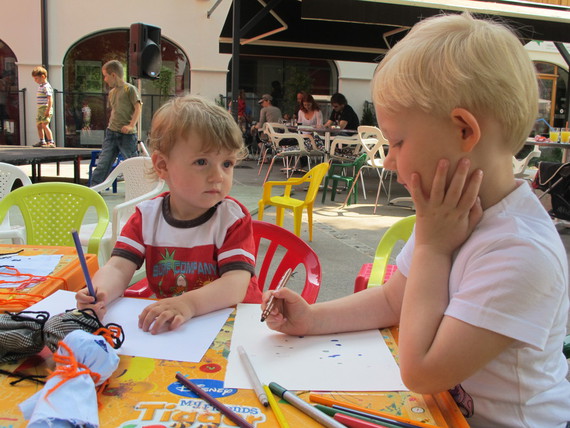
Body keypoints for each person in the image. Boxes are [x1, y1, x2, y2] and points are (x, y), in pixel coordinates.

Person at [261, 13, 570, 428]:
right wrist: (313, 319)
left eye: (398, 142)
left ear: (464, 130)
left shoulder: (519, 250)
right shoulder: (450, 217)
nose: (388, 161)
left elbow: (422, 372)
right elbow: (393, 300)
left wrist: (430, 247)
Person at [76, 95, 262, 334]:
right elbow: (118, 268)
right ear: (162, 166)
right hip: (178, 329)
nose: (218, 176)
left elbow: (235, 284)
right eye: (202, 161)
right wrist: (98, 292)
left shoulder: (232, 218)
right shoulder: (146, 217)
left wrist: (188, 304)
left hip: (234, 324)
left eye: (227, 163)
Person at [90, 60, 141, 186]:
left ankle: (137, 190)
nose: (105, 79)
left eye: (106, 76)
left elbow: (138, 107)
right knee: (103, 163)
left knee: (131, 163)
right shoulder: (112, 92)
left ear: (113, 75)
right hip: (112, 132)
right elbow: (116, 110)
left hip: (126, 135)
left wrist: (131, 125)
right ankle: (93, 190)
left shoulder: (129, 89)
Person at [31, 66, 55, 148]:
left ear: (43, 76)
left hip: (45, 107)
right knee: (39, 125)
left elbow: (50, 98)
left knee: (45, 125)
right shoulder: (41, 86)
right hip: (40, 108)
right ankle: (42, 141)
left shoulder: (46, 86)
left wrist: (48, 109)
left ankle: (51, 141)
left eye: (36, 78)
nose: (35, 80)